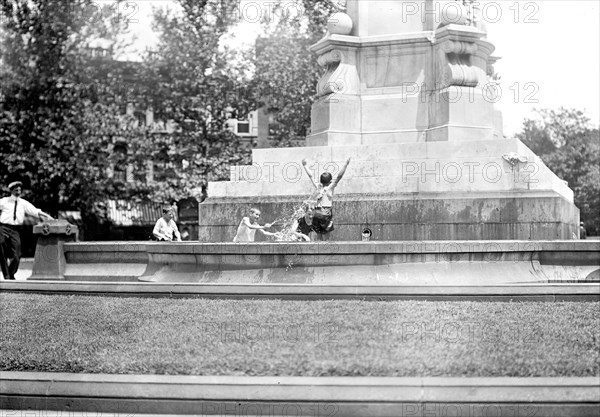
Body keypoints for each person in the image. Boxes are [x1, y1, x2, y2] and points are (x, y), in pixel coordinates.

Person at [0, 181, 54, 280]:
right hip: (3, 228)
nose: (18, 191)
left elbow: (36, 211)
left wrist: (49, 217)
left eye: (19, 189)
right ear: (11, 190)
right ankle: (7, 276)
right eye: (16, 189)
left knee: (17, 254)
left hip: (15, 230)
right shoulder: (4, 201)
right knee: (1, 247)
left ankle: (10, 272)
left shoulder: (23, 203)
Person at [301, 157, 351, 240]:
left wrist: (305, 165)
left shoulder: (318, 187)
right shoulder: (330, 188)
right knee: (327, 238)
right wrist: (346, 164)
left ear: (321, 181)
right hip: (326, 213)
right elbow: (339, 177)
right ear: (330, 181)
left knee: (319, 236)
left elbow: (311, 176)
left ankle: (318, 251)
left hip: (316, 213)